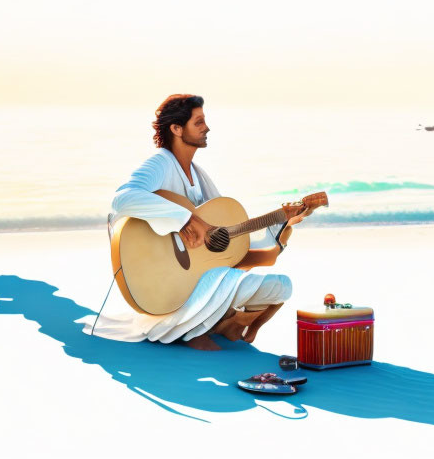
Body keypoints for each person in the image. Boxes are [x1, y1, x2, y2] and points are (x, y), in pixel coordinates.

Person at [100, 94, 311, 351]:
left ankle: (219, 323)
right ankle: (210, 323)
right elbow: (123, 199)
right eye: (198, 122)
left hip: (195, 279)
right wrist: (185, 218)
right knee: (257, 285)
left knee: (281, 286)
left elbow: (233, 244)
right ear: (176, 129)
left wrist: (285, 224)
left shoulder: (199, 176)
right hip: (163, 282)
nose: (206, 127)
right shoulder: (161, 163)